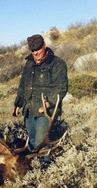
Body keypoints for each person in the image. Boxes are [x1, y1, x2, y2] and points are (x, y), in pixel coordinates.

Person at [13, 34, 68, 165]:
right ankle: (34, 168)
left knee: (41, 141)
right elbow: (23, 85)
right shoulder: (29, 63)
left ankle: (45, 168)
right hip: (29, 109)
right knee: (31, 141)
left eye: (38, 49)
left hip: (45, 111)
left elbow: (61, 87)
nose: (35, 53)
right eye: (33, 50)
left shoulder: (57, 64)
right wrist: (18, 103)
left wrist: (49, 103)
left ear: (44, 46)